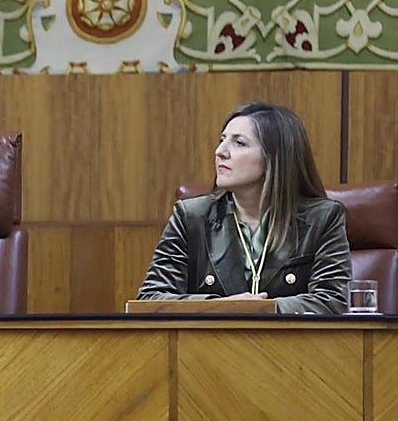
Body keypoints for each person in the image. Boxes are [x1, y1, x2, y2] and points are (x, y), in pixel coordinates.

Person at [138, 101, 350, 314]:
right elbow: (151, 299)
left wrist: (263, 309)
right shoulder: (191, 217)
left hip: (292, 344)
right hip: (209, 344)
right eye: (222, 141)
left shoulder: (322, 218)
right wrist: (223, 308)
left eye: (239, 143)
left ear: (273, 158)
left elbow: (332, 301)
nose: (220, 152)